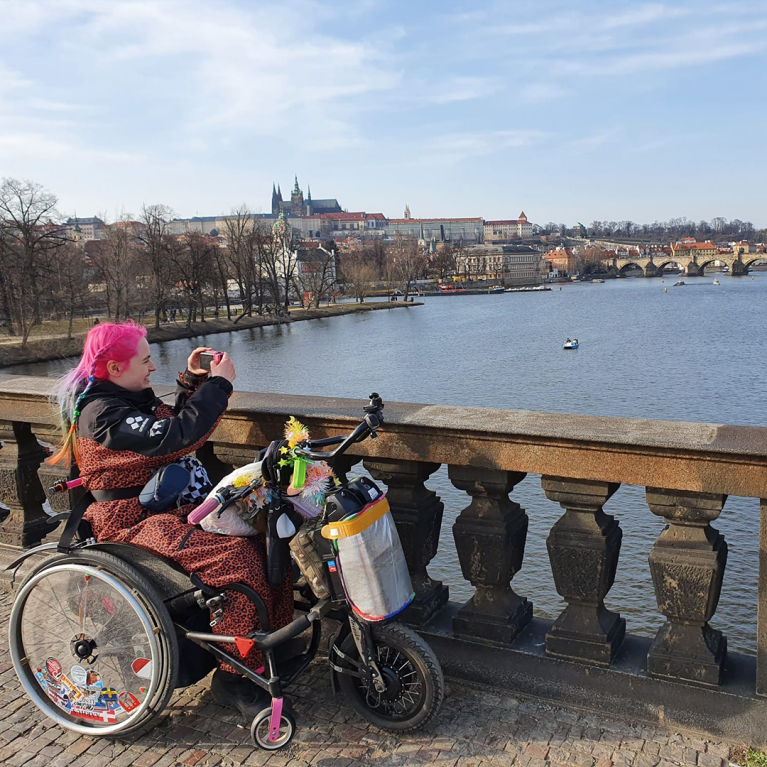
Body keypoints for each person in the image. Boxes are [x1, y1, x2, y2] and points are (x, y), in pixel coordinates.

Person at [49, 320, 294, 718]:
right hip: (128, 521)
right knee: (234, 559)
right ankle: (233, 676)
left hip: (163, 509)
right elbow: (176, 436)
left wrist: (191, 383)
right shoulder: (102, 412)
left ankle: (269, 643)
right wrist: (218, 386)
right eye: (145, 361)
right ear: (114, 368)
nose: (152, 369)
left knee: (264, 541)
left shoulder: (128, 397)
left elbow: (164, 428)